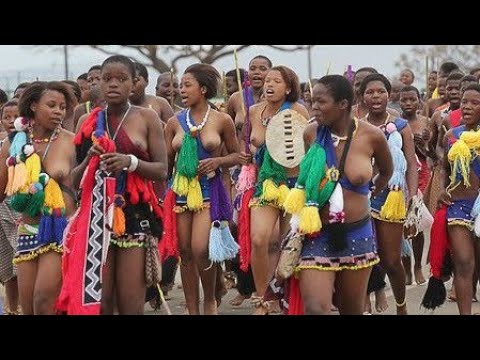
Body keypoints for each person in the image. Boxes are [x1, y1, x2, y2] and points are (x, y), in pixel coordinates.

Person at [291, 75, 392, 315]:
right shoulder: (311, 134)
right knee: (316, 308)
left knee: (351, 310)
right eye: (312, 101)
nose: (314, 107)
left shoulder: (372, 136)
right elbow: (310, 179)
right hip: (317, 233)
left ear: (343, 104)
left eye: (321, 102)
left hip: (357, 234)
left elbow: (387, 171)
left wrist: (370, 190)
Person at [164, 63, 239, 315]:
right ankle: (192, 307)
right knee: (184, 251)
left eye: (187, 85)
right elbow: (165, 164)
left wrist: (217, 161)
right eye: (180, 85)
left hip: (210, 191)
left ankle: (210, 299)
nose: (181, 90)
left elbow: (239, 155)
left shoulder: (222, 119)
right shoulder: (173, 122)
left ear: (204, 89)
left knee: (200, 248)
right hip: (181, 193)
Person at [0, 81, 76, 315]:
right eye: (51, 105)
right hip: (28, 229)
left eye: (62, 107)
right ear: (33, 106)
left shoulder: (72, 141)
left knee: (44, 300)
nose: (58, 111)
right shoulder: (13, 142)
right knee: (30, 306)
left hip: (59, 230)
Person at [242, 65, 309, 315]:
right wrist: (248, 155)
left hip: (293, 186)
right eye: (267, 81)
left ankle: (285, 296)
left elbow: (308, 147)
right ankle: (263, 298)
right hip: (266, 184)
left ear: (289, 87)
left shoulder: (297, 110)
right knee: (259, 239)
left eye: (277, 81)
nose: (269, 85)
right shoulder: (252, 111)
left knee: (286, 244)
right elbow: (247, 142)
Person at [361, 73, 419, 315]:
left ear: (389, 94)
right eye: (370, 92)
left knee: (391, 260)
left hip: (392, 197)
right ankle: (362, 306)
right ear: (362, 97)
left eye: (380, 91)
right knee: (360, 257)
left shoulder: (401, 126)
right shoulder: (356, 125)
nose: (376, 96)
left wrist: (412, 197)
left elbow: (411, 164)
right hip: (360, 196)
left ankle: (401, 306)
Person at [439, 83, 480, 314]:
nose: (467, 106)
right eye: (465, 101)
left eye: (475, 102)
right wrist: (443, 189)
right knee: (464, 263)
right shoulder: (451, 135)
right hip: (458, 206)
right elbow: (444, 167)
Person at [399, 85, 431, 286]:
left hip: (421, 175)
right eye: (404, 100)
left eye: (412, 99)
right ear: (399, 101)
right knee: (402, 225)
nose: (408, 103)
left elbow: (433, 153)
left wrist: (423, 143)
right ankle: (406, 267)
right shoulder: (396, 122)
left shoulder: (426, 122)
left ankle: (418, 265)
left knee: (417, 223)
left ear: (419, 100)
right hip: (400, 175)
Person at [0, 100, 20, 314]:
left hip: (21, 212)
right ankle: (11, 308)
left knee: (21, 262)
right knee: (6, 268)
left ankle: (24, 307)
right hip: (2, 209)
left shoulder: (31, 144)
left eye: (16, 116)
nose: (12, 121)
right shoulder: (3, 144)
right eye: (7, 117)